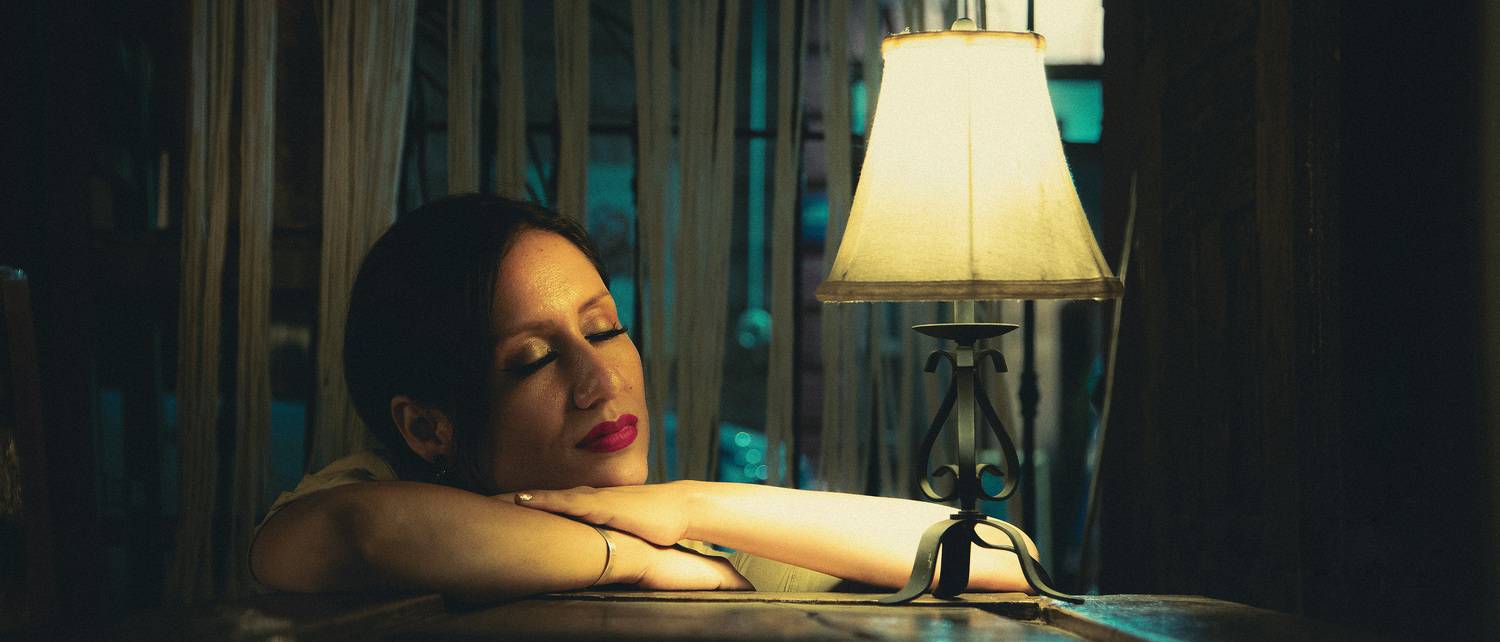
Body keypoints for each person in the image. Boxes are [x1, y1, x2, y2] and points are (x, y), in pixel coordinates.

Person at [250, 194, 1039, 602]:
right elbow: (357, 532)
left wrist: (691, 505)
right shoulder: (373, 491)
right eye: (532, 359)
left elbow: (1000, 557)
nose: (599, 381)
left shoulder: (683, 538)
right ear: (427, 427)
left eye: (604, 329)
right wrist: (640, 565)